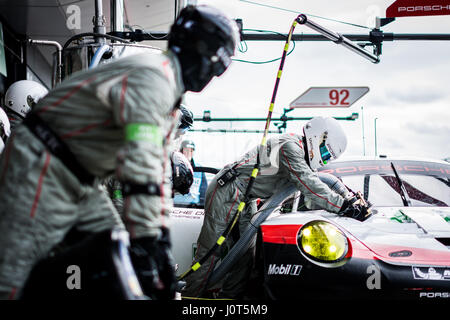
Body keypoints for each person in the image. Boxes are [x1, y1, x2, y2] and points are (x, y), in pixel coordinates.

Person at [0, 4, 239, 300]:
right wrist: (151, 241)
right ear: (206, 56)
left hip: (79, 177)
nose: (214, 75)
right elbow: (141, 167)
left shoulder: (168, 91)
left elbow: (158, 173)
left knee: (116, 249)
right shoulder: (155, 80)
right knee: (13, 275)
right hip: (43, 163)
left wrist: (159, 245)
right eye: (217, 66)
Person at [182, 116, 371, 299]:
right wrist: (344, 205)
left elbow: (309, 193)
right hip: (228, 189)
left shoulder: (302, 159)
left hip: (246, 197)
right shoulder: (291, 147)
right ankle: (190, 300)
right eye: (325, 153)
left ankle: (228, 301)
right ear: (317, 138)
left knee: (247, 254)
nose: (323, 159)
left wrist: (349, 200)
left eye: (328, 157)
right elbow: (310, 185)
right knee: (210, 252)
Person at [173, 139, 208, 206]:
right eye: (186, 150)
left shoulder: (200, 168)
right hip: (176, 205)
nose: (189, 153)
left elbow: (203, 190)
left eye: (191, 150)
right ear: (181, 151)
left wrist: (203, 205)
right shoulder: (174, 166)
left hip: (193, 206)